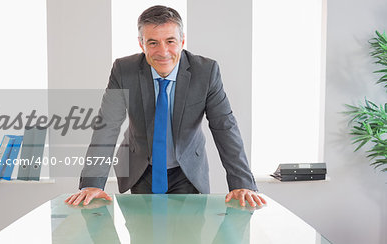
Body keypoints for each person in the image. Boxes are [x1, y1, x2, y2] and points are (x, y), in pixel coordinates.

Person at [65, 5, 266, 207]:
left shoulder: (205, 72)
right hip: (141, 169)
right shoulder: (123, 71)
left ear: (182, 41)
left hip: (187, 170)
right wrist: (92, 183)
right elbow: (107, 126)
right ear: (141, 44)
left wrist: (242, 182)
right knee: (143, 235)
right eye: (153, 42)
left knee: (188, 236)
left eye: (170, 41)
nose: (163, 51)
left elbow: (225, 126)